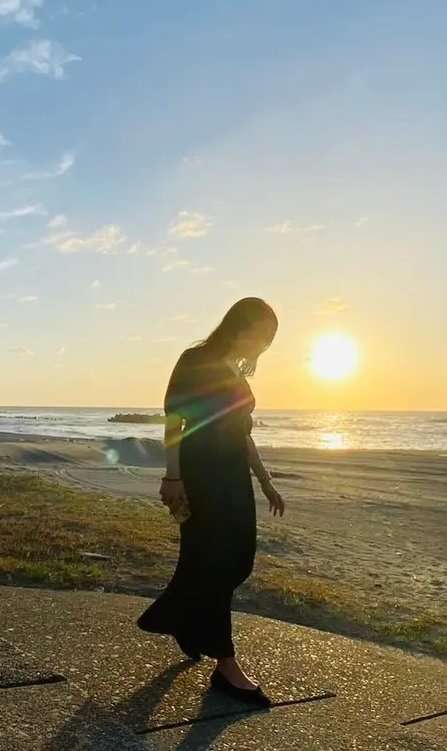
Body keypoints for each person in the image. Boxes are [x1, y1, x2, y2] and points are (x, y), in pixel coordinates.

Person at [137, 297, 286, 707]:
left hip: (234, 480)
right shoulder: (196, 360)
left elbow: (243, 435)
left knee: (238, 560)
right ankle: (226, 666)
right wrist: (173, 476)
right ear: (239, 325)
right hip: (202, 477)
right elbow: (175, 422)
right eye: (261, 334)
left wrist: (265, 482)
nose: (263, 345)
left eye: (270, 339)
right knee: (215, 563)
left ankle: (181, 620)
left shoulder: (236, 373)